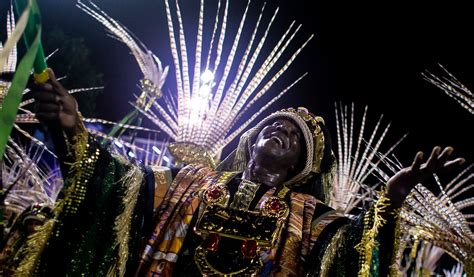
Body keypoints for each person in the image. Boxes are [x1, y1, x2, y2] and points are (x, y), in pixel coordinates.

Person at [19, 68, 465, 276]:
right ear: (250, 141)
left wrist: (391, 200)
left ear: (301, 167)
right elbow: (117, 186)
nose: (281, 131)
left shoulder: (313, 219)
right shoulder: (190, 181)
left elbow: (351, 255)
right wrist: (73, 130)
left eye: (294, 137)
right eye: (273, 125)